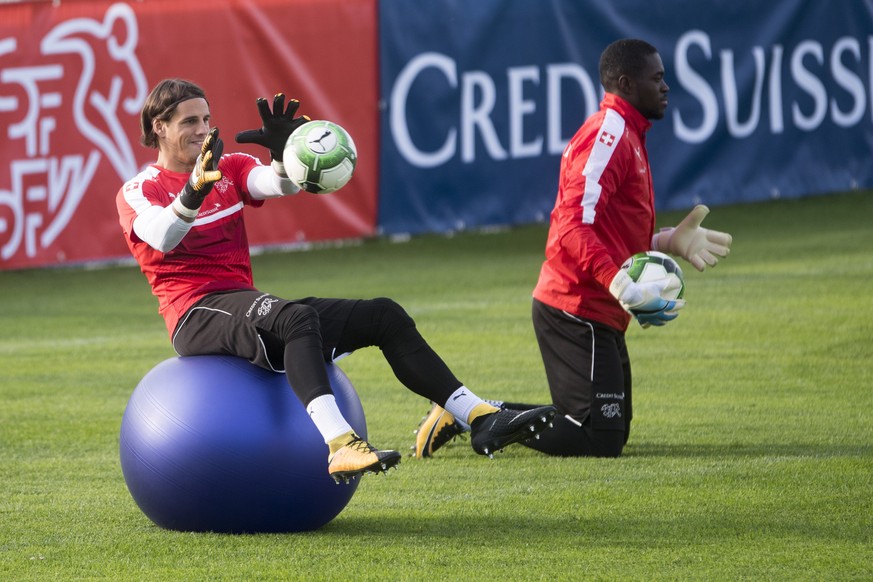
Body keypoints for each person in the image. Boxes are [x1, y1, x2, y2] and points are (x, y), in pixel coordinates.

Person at [116, 78, 556, 483]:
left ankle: (477, 417)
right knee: (297, 318)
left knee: (384, 315)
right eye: (190, 121)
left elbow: (276, 184)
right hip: (195, 315)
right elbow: (162, 236)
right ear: (159, 127)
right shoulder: (140, 189)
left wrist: (285, 157)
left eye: (207, 119)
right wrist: (193, 190)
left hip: (245, 305)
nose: (203, 128)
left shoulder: (226, 166)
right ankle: (341, 445)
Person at [411, 39, 732, 459]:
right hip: (575, 307)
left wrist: (667, 240)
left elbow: (605, 229)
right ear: (626, 83)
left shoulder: (629, 133)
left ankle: (468, 412)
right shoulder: (609, 133)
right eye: (657, 78)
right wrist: (618, 280)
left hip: (598, 305)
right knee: (597, 438)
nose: (666, 86)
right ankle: (471, 415)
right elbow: (569, 227)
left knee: (607, 429)